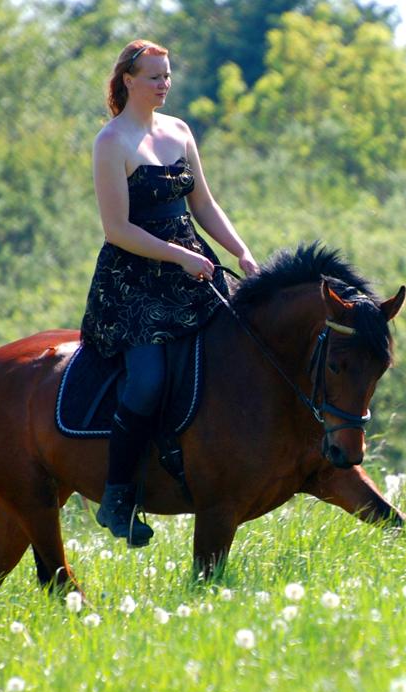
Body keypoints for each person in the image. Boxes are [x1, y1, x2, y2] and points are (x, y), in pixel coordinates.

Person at [80, 39, 259, 545]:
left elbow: (203, 204)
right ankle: (117, 495)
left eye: (167, 75)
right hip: (135, 283)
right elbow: (117, 229)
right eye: (154, 76)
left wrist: (240, 251)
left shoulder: (179, 131)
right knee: (148, 380)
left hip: (193, 271)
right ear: (128, 80)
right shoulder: (110, 142)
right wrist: (181, 255)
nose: (164, 83)